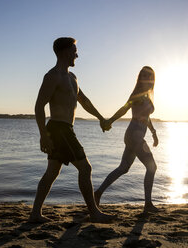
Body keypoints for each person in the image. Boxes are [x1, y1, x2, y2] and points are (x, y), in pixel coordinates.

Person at [29, 37, 114, 223]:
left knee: (52, 172)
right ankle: (94, 212)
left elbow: (84, 101)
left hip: (65, 128)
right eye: (74, 50)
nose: (77, 54)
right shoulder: (52, 76)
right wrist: (43, 136)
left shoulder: (72, 77)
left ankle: (35, 214)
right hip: (59, 129)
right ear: (65, 51)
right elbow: (38, 106)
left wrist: (101, 118)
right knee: (85, 168)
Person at [95, 66, 159, 213]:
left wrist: (154, 133)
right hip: (135, 135)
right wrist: (109, 121)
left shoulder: (146, 95)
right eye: (144, 76)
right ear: (140, 78)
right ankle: (148, 204)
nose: (147, 79)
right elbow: (124, 109)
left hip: (133, 135)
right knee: (152, 167)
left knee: (123, 168)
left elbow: (146, 118)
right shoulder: (137, 94)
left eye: (149, 76)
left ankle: (97, 193)